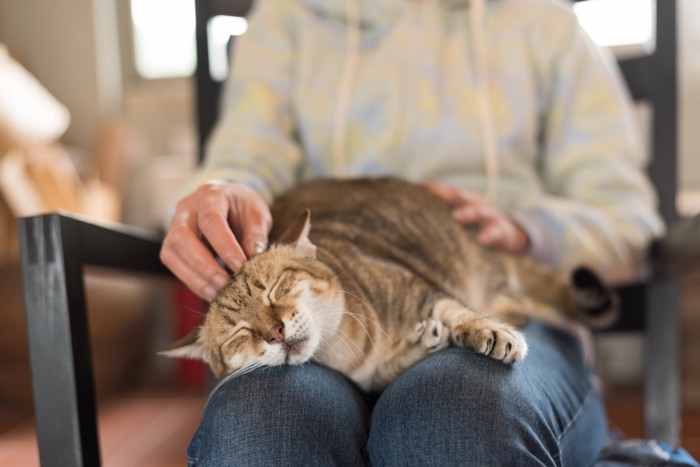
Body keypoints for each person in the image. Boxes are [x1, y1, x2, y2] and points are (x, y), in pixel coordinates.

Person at [160, 0, 663, 465]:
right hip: (319, 316)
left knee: (452, 416)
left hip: (507, 304)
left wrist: (529, 232)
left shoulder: (545, 23)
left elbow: (628, 220)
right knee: (258, 426)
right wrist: (219, 197)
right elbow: (241, 164)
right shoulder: (286, 18)